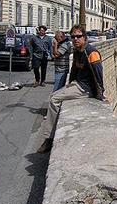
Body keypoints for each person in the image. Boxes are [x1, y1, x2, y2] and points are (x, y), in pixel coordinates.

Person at [37, 24, 105, 154]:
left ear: (84, 37)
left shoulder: (91, 52)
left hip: (85, 88)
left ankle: (49, 139)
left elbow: (98, 75)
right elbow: (74, 70)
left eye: (78, 36)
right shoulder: (78, 51)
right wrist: (70, 83)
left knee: (54, 99)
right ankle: (51, 136)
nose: (75, 39)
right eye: (73, 37)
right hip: (77, 85)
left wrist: (101, 94)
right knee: (55, 96)